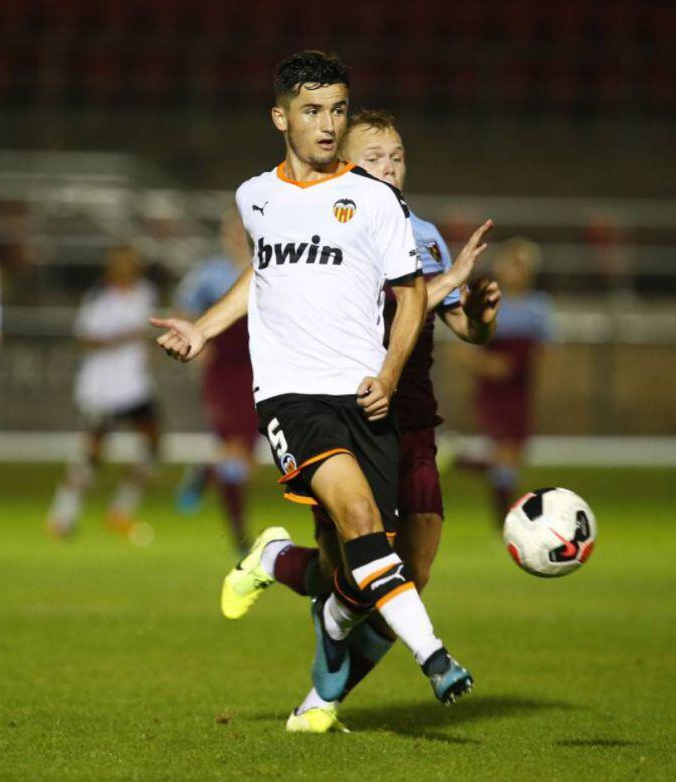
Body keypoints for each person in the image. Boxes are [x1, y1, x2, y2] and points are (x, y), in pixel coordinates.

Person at [152, 51, 475, 729]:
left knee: (357, 574)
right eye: (311, 110)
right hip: (292, 397)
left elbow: (411, 298)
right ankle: (435, 659)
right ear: (280, 117)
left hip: (363, 396)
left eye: (336, 109)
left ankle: (301, 590)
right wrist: (204, 329)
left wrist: (387, 375)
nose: (327, 124)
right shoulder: (254, 196)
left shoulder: (377, 202)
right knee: (362, 526)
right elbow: (265, 273)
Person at [220, 109, 501, 732]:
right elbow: (269, 279)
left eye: (397, 156)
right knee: (352, 566)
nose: (389, 168)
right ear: (344, 161)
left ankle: (320, 691)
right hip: (340, 410)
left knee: (411, 572)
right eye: (374, 157)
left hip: (413, 418)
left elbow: (462, 328)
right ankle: (279, 574)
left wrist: (479, 313)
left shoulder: (422, 234)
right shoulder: (322, 214)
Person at [45, 245, 161, 542]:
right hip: (102, 388)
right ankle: (62, 515)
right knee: (91, 456)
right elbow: (84, 338)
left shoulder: (145, 293)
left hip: (134, 385)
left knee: (152, 446)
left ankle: (121, 510)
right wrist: (120, 337)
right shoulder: (99, 297)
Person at [172, 211, 257, 555]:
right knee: (234, 448)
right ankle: (239, 534)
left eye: (243, 231)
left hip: (258, 367)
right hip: (223, 367)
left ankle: (205, 473)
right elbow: (184, 308)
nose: (237, 237)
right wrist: (195, 342)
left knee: (244, 454)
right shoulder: (209, 274)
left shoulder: (272, 268)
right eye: (232, 231)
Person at [464, 238, 554, 526]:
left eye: (522, 265)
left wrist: (541, 378)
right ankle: (505, 519)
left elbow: (545, 350)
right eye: (511, 264)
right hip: (492, 389)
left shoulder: (539, 307)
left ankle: (465, 462)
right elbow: (462, 347)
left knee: (513, 453)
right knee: (503, 450)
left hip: (519, 388)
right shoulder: (486, 300)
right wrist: (486, 365)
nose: (517, 271)